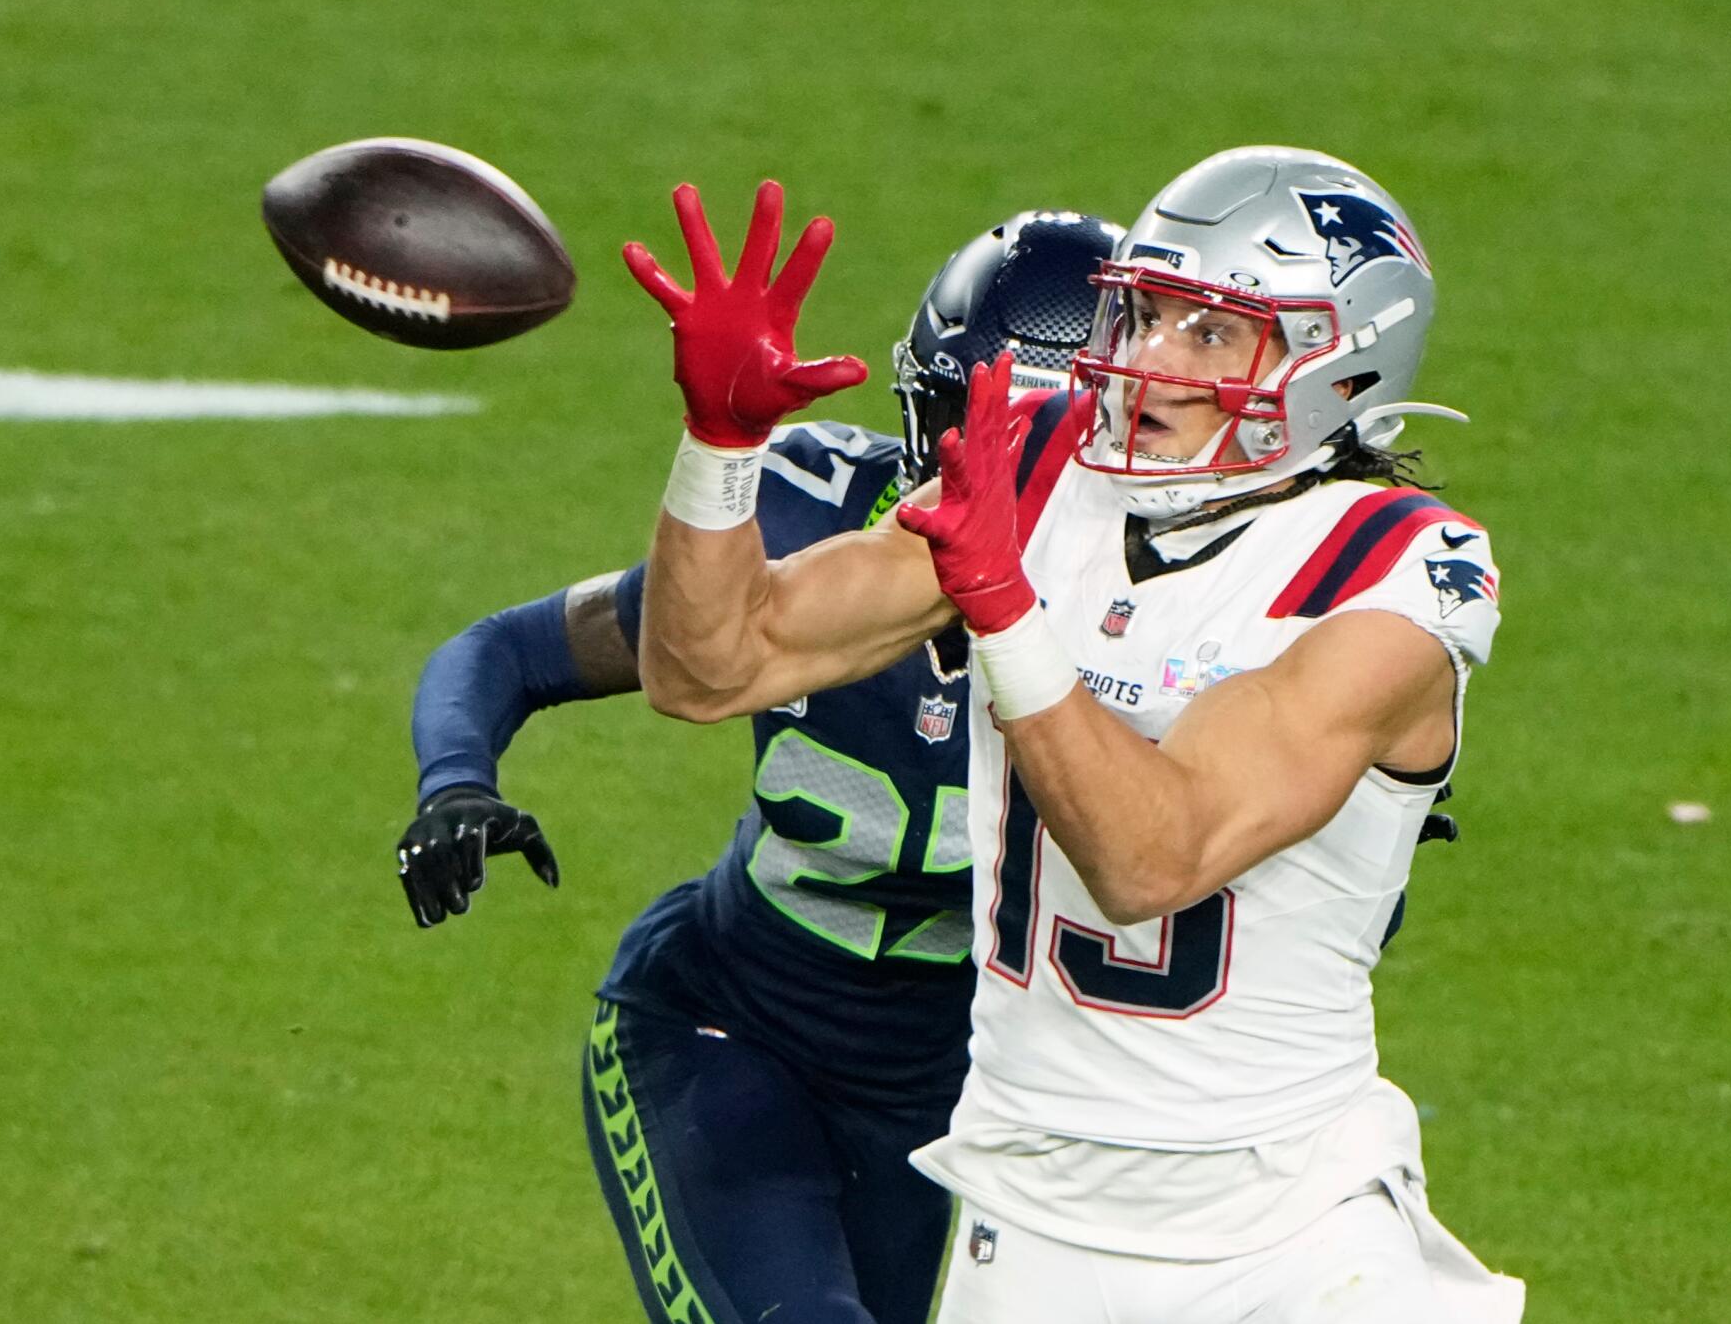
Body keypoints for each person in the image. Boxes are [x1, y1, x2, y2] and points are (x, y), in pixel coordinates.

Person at [619, 147, 1523, 1322]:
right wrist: (717, 455)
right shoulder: (1045, 460)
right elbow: (710, 667)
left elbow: (1153, 855)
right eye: (1145, 314)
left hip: (1295, 1226)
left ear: (1335, 365)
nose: (1149, 361)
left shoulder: (1396, 575)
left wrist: (1005, 608)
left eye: (1210, 333)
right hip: (1033, 1216)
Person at [394, 206, 1121, 1324]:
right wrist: (455, 777)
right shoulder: (804, 526)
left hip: (959, 1097)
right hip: (730, 1032)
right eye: (967, 418)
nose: (995, 462)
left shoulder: (1165, 618)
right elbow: (512, 649)